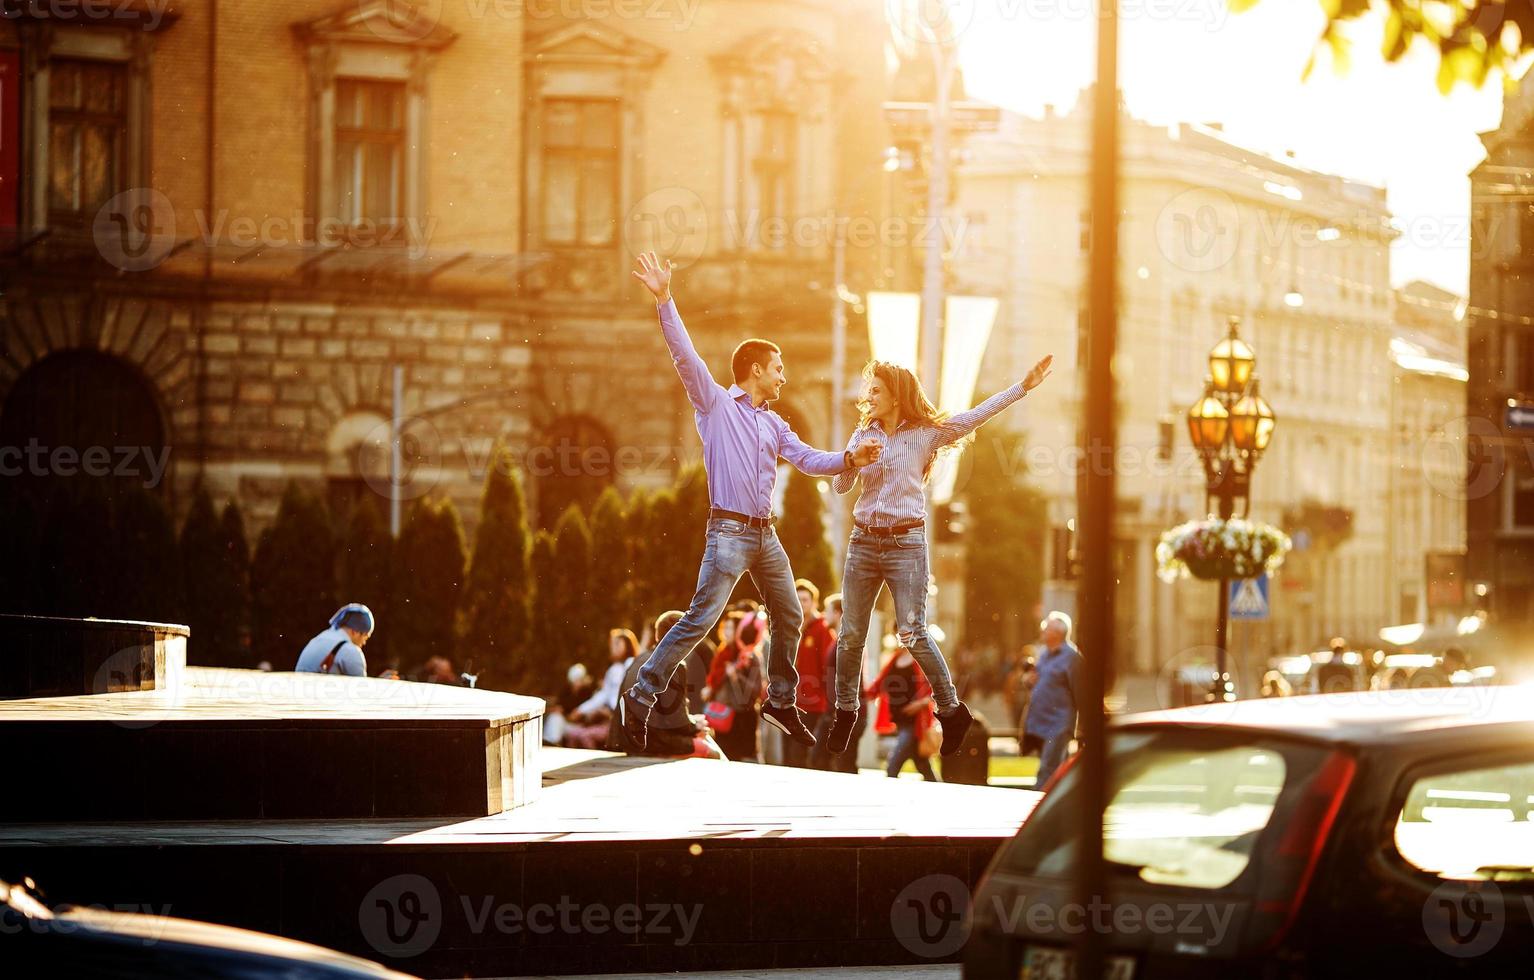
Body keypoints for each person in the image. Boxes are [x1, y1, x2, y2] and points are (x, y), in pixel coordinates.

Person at [620, 252, 882, 751]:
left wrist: (852, 457)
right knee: (700, 619)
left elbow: (808, 460)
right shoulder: (715, 404)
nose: (784, 377)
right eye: (778, 369)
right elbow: (684, 355)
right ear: (756, 370)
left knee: (789, 615)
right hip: (729, 534)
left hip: (765, 534)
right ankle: (642, 694)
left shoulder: (774, 423)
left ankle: (780, 701)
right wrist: (665, 299)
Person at [825, 354, 1053, 759]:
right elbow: (842, 485)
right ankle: (846, 711)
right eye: (868, 390)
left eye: (876, 389)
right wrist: (853, 461)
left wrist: (1023, 387)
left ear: (896, 395)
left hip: (906, 543)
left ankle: (950, 710)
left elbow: (975, 416)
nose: (869, 396)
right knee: (851, 635)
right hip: (863, 542)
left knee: (913, 632)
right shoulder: (863, 434)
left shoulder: (924, 435)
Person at [608, 611, 723, 759]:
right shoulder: (675, 664)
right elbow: (677, 721)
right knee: (714, 753)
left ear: (657, 636)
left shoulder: (640, 659)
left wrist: (693, 722)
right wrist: (695, 725)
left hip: (628, 741)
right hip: (654, 742)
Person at [1025, 611, 1082, 788]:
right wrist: (1028, 681)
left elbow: (1080, 692)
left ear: (1057, 633)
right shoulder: (1044, 654)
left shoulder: (1072, 657)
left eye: (1046, 629)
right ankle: (1064, 805)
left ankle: (1037, 807)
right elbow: (1036, 680)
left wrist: (1084, 726)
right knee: (1059, 769)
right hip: (1041, 722)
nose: (1042, 632)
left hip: (1058, 724)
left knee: (1047, 769)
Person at [703, 610, 767, 762]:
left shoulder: (750, 657)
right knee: (725, 758)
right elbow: (715, 678)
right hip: (724, 717)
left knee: (744, 760)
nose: (726, 632)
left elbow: (756, 689)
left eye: (731, 628)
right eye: (725, 627)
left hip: (742, 718)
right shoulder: (723, 653)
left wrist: (736, 676)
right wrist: (710, 689)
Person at [867, 644, 936, 781]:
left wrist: (919, 704)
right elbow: (879, 684)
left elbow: (935, 688)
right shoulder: (895, 658)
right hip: (900, 721)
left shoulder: (921, 658)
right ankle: (941, 790)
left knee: (893, 766)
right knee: (923, 766)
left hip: (915, 724)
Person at [784, 578, 833, 768]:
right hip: (792, 701)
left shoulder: (822, 629)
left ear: (814, 602)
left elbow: (828, 666)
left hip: (814, 704)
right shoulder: (792, 626)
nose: (801, 603)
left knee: (803, 753)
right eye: (798, 599)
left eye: (805, 599)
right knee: (790, 753)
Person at [565, 629, 638, 749]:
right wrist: (582, 710)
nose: (613, 648)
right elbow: (604, 695)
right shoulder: (615, 668)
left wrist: (606, 712)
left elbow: (614, 696)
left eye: (617, 644)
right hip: (609, 718)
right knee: (573, 735)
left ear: (628, 645)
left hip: (619, 721)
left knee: (584, 736)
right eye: (612, 644)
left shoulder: (630, 665)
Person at [294, 603, 374, 676]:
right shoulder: (350, 651)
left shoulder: (317, 640)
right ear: (355, 632)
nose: (364, 642)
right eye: (366, 637)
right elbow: (362, 689)